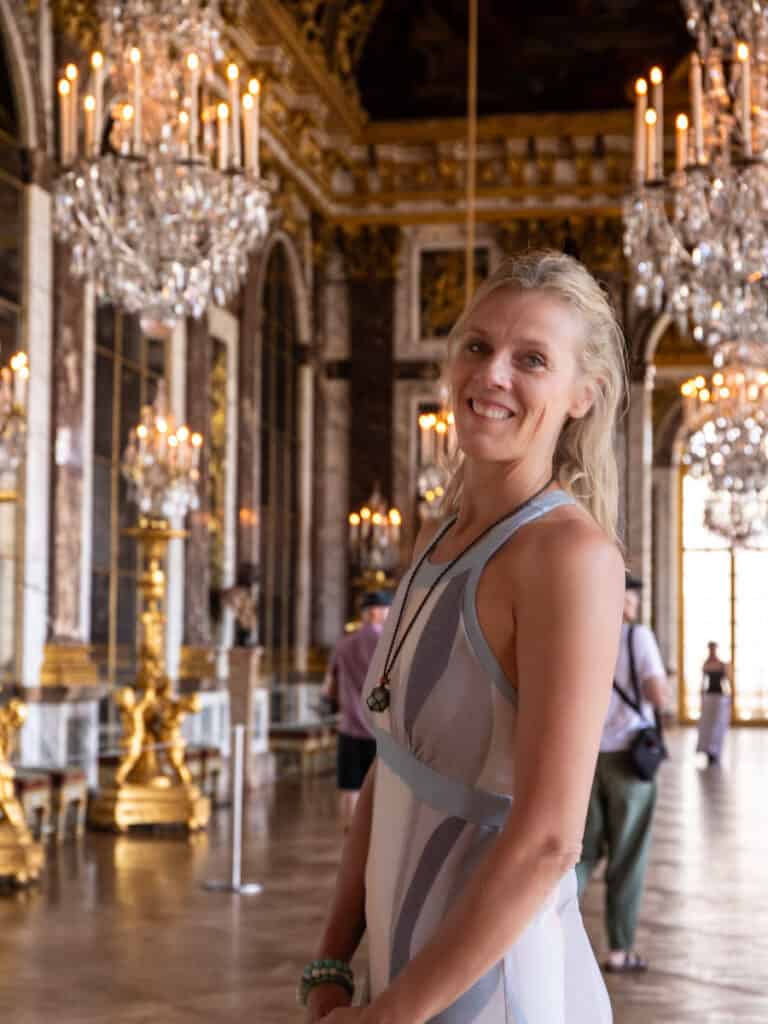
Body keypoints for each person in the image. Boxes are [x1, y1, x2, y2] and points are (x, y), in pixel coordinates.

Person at [302, 250, 626, 1023]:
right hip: (402, 972)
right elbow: (394, 767)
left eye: (533, 359)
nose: (492, 375)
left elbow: (550, 839)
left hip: (490, 985)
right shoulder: (435, 535)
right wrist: (331, 960)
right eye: (478, 346)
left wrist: (395, 1014)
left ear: (584, 394)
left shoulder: (569, 557)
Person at [576, 575, 668, 974]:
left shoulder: (581, 633)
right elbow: (656, 695)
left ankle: (548, 930)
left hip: (586, 758)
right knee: (628, 855)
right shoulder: (636, 637)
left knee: (581, 854)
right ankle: (619, 949)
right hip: (630, 762)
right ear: (626, 600)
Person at [323, 591, 392, 828]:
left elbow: (328, 689)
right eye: (386, 609)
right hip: (381, 730)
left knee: (349, 788)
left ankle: (349, 838)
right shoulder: (388, 643)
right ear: (375, 612)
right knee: (382, 791)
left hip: (349, 727)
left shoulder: (343, 644)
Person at [696, 641, 731, 764]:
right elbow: (702, 682)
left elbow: (727, 681)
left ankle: (715, 750)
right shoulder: (706, 664)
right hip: (709, 696)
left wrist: (729, 698)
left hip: (719, 696)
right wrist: (701, 698)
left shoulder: (722, 664)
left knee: (717, 724)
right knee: (707, 725)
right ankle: (707, 750)